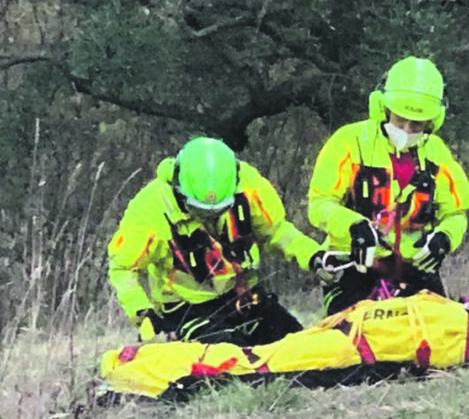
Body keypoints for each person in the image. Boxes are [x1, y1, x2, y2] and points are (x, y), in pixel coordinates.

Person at [108, 136, 336, 346]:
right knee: (228, 357)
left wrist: (314, 257)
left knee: (296, 344)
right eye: (199, 210)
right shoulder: (148, 211)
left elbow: (277, 232)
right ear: (178, 188)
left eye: (221, 209)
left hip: (242, 296)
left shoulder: (248, 184)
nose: (211, 217)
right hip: (185, 309)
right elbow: (122, 269)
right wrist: (143, 315)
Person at [307, 56, 469, 315]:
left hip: (415, 270)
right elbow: (319, 206)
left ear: (434, 120)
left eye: (417, 123)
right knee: (359, 343)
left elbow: (456, 214)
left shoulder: (437, 154)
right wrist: (353, 226)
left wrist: (445, 237)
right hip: (353, 267)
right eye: (400, 119)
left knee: (440, 339)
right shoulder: (349, 142)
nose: (407, 129)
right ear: (382, 107)